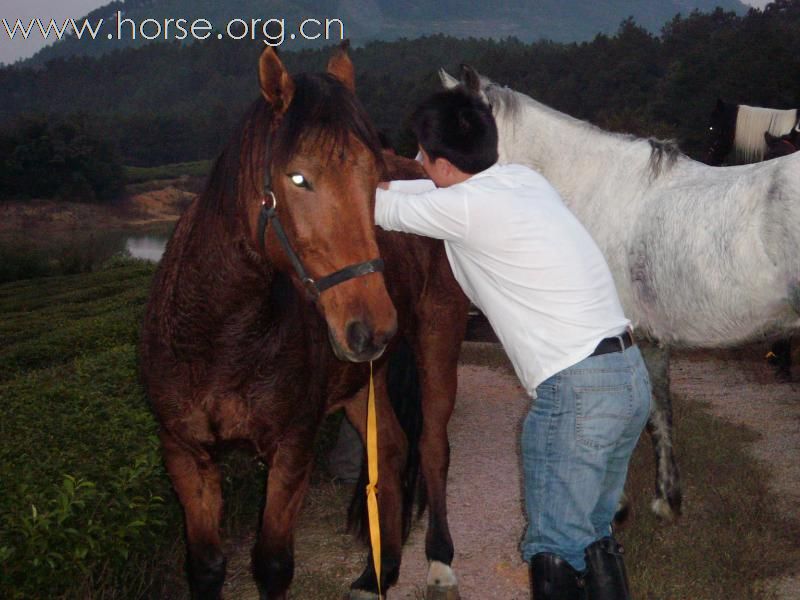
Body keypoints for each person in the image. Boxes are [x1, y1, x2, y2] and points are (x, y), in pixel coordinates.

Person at [374, 88, 651, 599]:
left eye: (420, 156)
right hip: (627, 377)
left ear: (438, 163)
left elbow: (377, 208)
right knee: (592, 537)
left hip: (576, 394)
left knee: (554, 546)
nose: (417, 164)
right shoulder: (523, 180)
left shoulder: (461, 210)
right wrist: (404, 177)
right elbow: (422, 194)